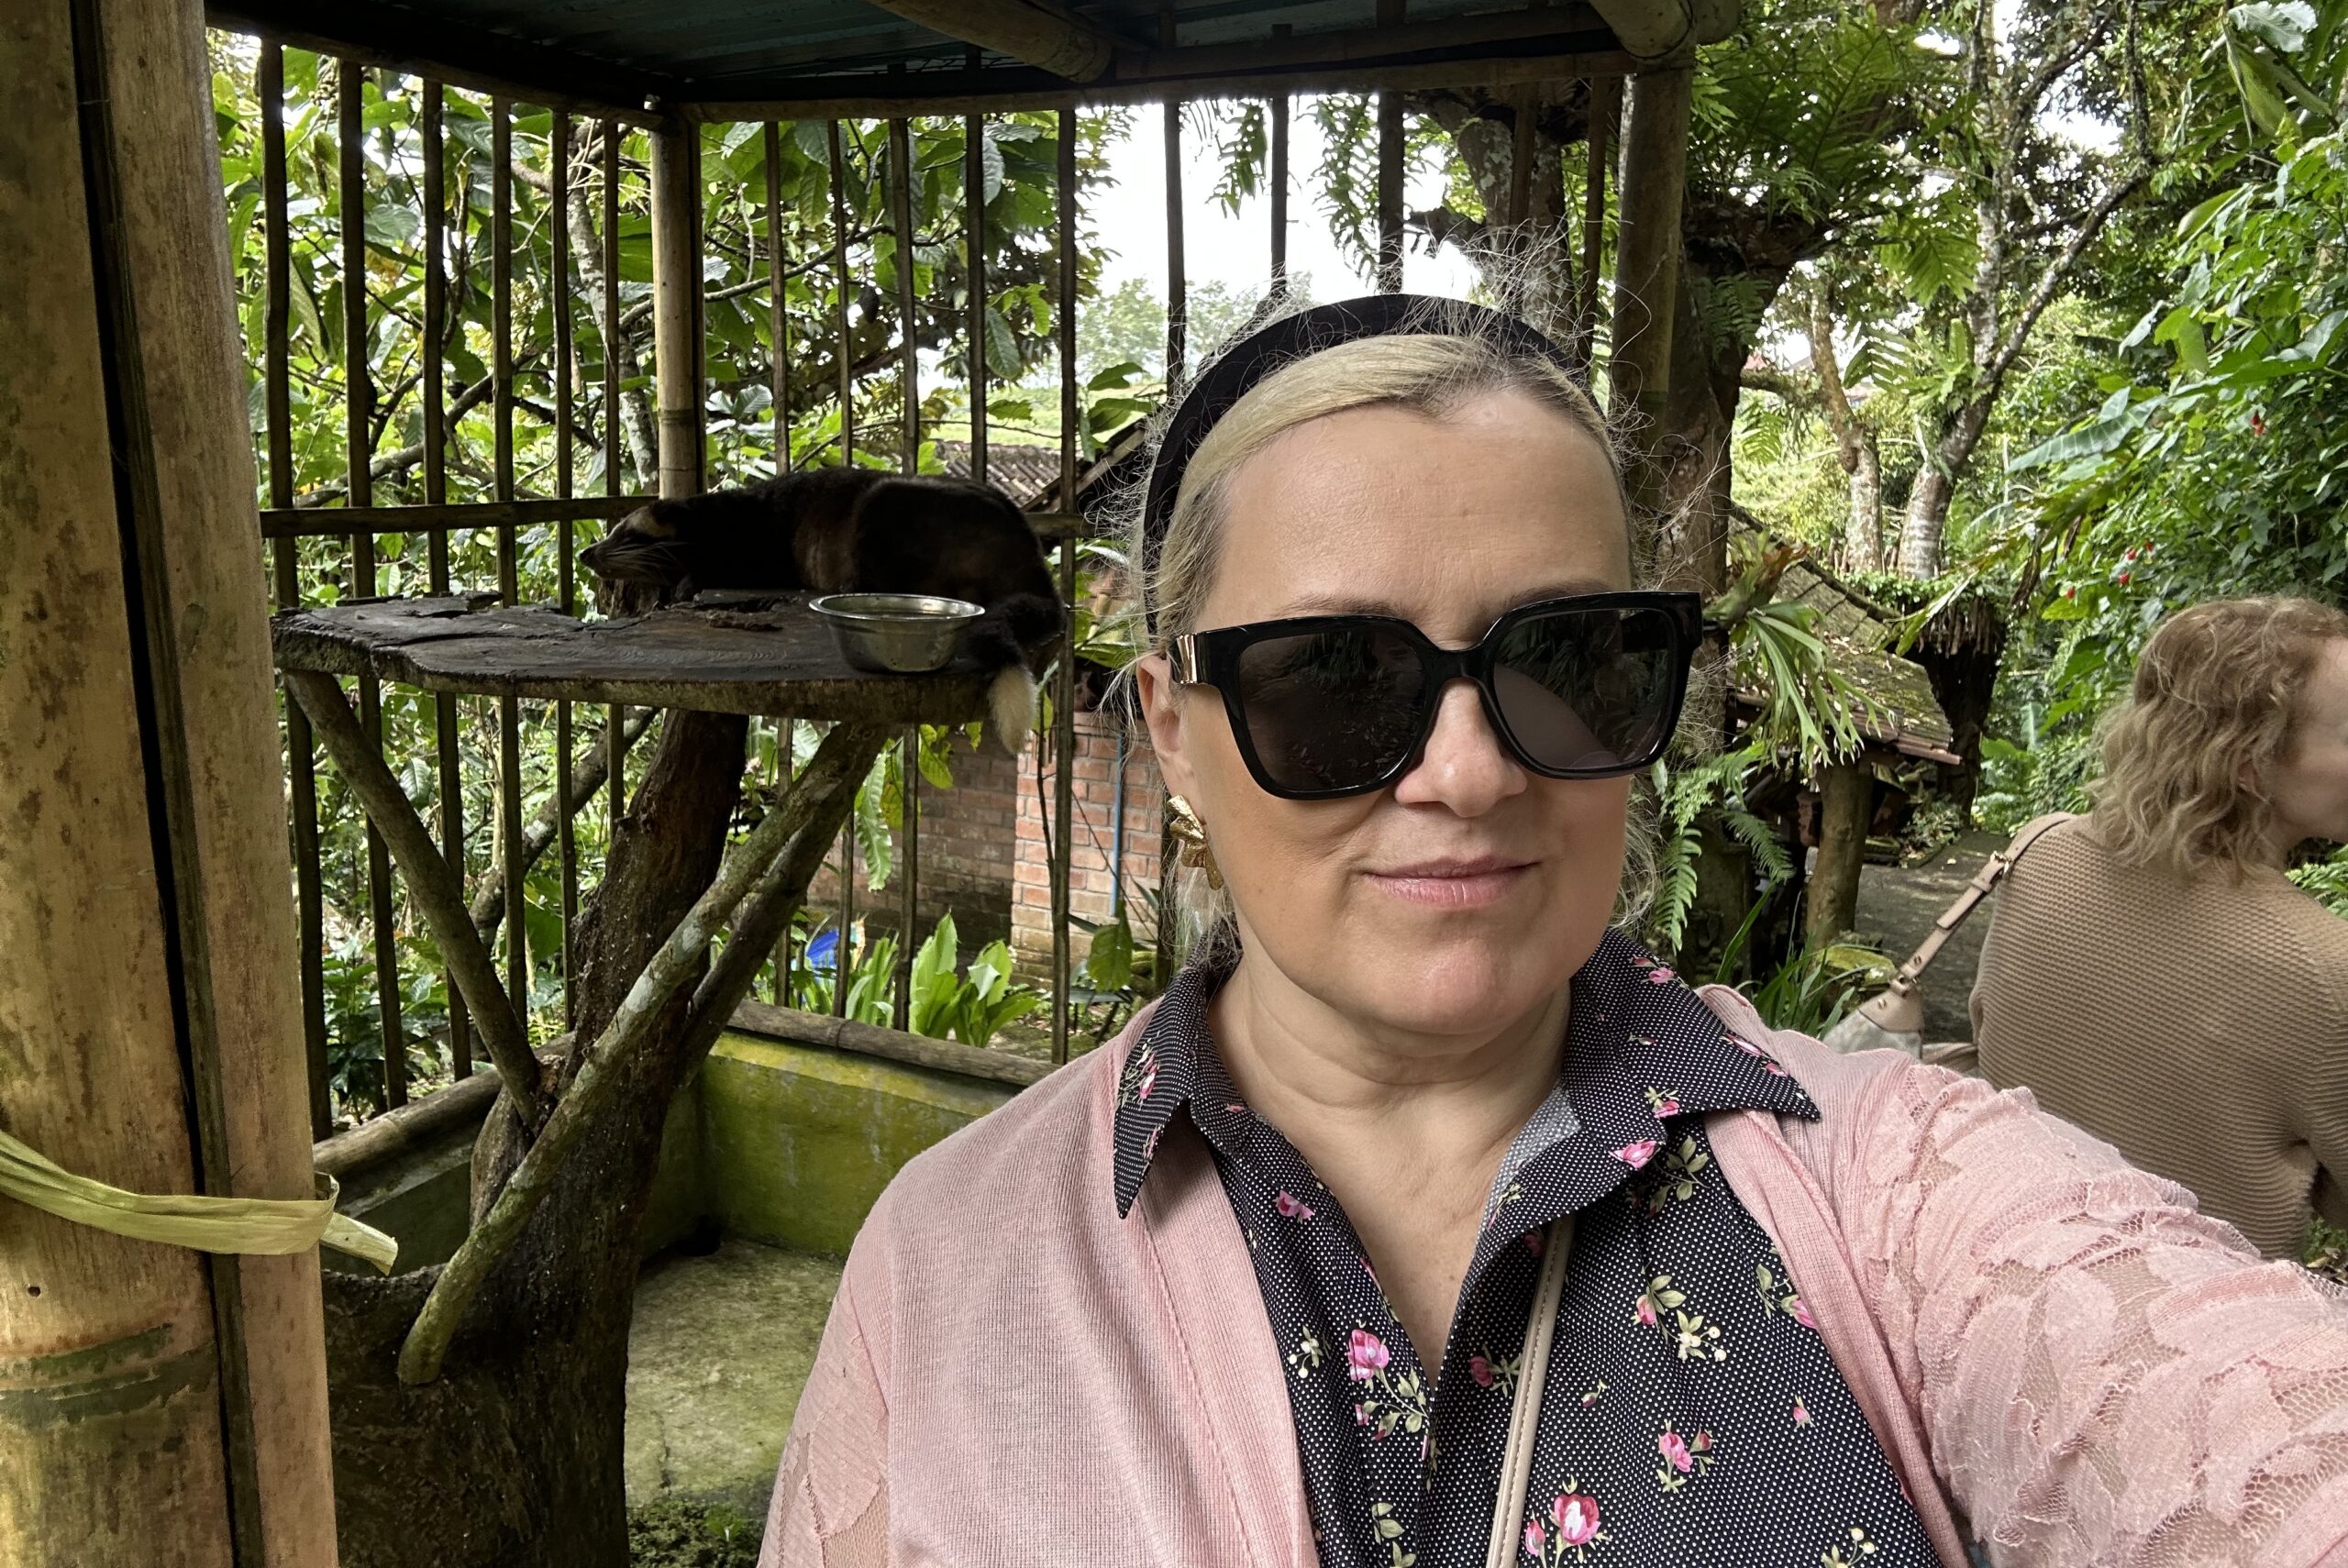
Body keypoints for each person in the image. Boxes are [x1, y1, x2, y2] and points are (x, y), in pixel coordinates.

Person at [760, 298, 2348, 1568]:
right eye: (1332, 675)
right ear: (1175, 731)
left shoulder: (1899, 1204)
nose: (1469, 774)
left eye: (1569, 658)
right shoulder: (948, 1261)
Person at [1971, 595, 2348, 1260]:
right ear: (2250, 760)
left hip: (1995, 1264)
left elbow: (1990, 1033)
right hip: (2192, 1315)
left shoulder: (2041, 849)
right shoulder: (2323, 967)